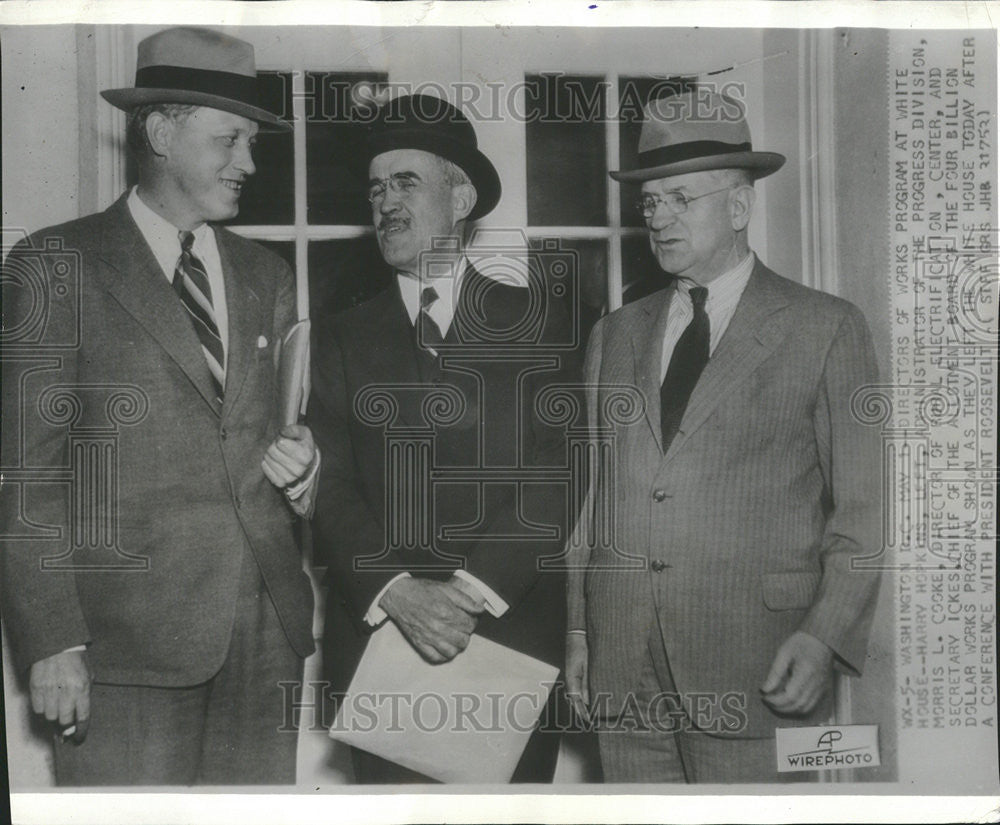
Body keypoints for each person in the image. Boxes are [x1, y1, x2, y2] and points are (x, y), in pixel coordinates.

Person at [0, 27, 318, 785]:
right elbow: (26, 474)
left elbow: (269, 431)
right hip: (122, 651)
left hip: (265, 636)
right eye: (230, 138)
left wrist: (306, 470)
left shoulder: (263, 272)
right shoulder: (55, 263)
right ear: (161, 131)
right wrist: (52, 640)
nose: (248, 162)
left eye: (250, 142)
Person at [565, 90, 881, 783]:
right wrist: (581, 629)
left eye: (681, 198)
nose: (658, 218)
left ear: (739, 208)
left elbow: (865, 511)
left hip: (758, 665)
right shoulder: (614, 335)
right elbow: (596, 499)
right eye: (650, 203)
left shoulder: (824, 327)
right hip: (625, 669)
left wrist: (825, 633)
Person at [308, 94, 580, 783]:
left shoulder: (540, 322)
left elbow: (561, 470)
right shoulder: (336, 335)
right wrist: (398, 590)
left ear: (460, 197)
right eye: (375, 188)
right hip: (382, 648)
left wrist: (467, 592)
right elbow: (327, 481)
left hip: (508, 647)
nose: (385, 203)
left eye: (406, 182)